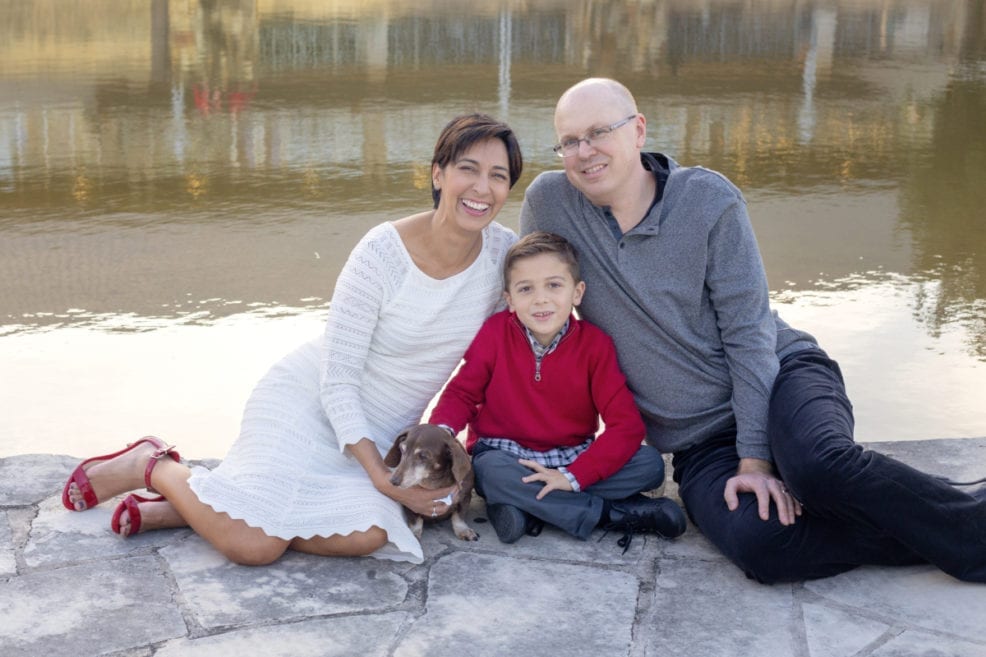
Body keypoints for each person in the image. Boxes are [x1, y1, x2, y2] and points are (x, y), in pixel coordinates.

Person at [520, 77, 986, 584]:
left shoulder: (707, 201)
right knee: (762, 546)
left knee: (819, 469)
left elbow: (749, 334)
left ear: (638, 130)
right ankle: (937, 515)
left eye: (598, 133)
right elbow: (521, 296)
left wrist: (757, 459)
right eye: (569, 141)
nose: (583, 152)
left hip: (781, 377)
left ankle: (972, 539)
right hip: (699, 442)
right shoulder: (551, 203)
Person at [61, 113, 524, 565]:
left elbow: (526, 329)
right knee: (255, 548)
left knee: (370, 534)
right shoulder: (382, 252)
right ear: (438, 174)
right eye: (468, 169)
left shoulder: (501, 254)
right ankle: (153, 465)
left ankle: (186, 511)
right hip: (311, 403)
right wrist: (382, 482)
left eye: (498, 176)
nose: (482, 188)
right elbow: (337, 381)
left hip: (386, 435)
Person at [428, 231, 687, 548]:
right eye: (526, 289)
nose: (540, 299)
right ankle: (610, 514)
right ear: (509, 299)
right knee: (489, 473)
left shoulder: (595, 345)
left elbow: (627, 425)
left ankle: (527, 509)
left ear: (577, 292)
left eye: (554, 285)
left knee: (649, 466)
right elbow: (462, 394)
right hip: (505, 454)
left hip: (571, 456)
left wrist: (574, 475)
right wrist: (440, 431)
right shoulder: (495, 333)